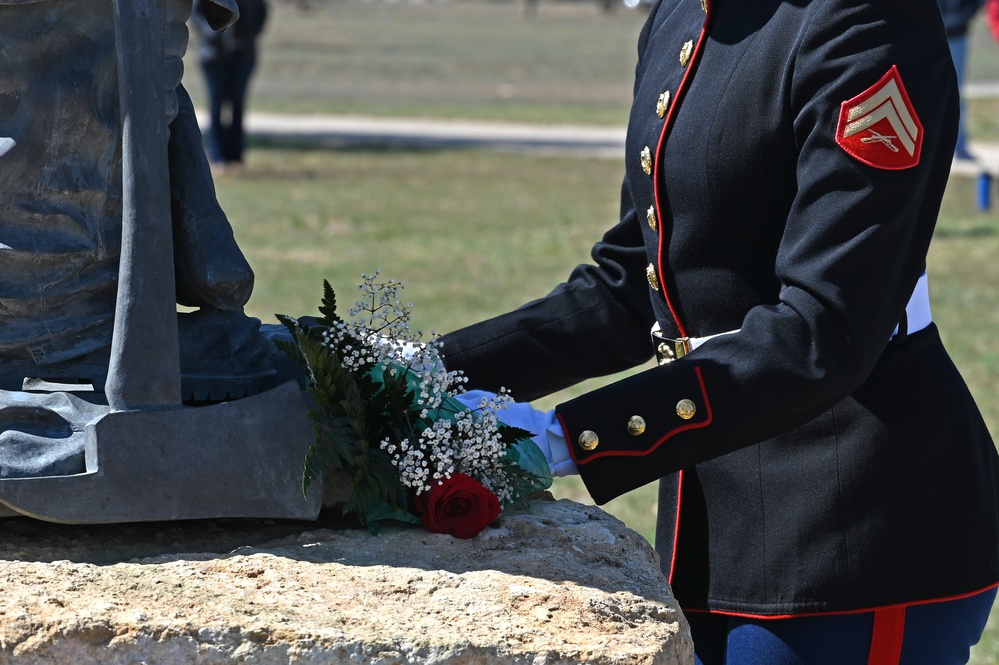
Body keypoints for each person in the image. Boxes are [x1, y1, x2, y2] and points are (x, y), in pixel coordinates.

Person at [438, 1, 999, 663]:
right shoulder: (681, 15)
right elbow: (632, 286)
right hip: (713, 522)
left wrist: (571, 439)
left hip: (850, 527)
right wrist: (427, 368)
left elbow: (826, 328)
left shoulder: (864, 21)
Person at [191, 0, 269, 172]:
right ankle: (217, 157)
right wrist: (212, 34)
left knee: (238, 104)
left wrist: (248, 37)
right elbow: (196, 13)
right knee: (216, 105)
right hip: (213, 55)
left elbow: (261, 14)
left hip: (243, 55)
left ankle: (236, 157)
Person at [938, 0, 985, 161]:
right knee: (928, 91)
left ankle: (959, 146)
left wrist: (960, 19)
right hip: (931, 33)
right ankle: (933, 148)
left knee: (956, 92)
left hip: (957, 35)